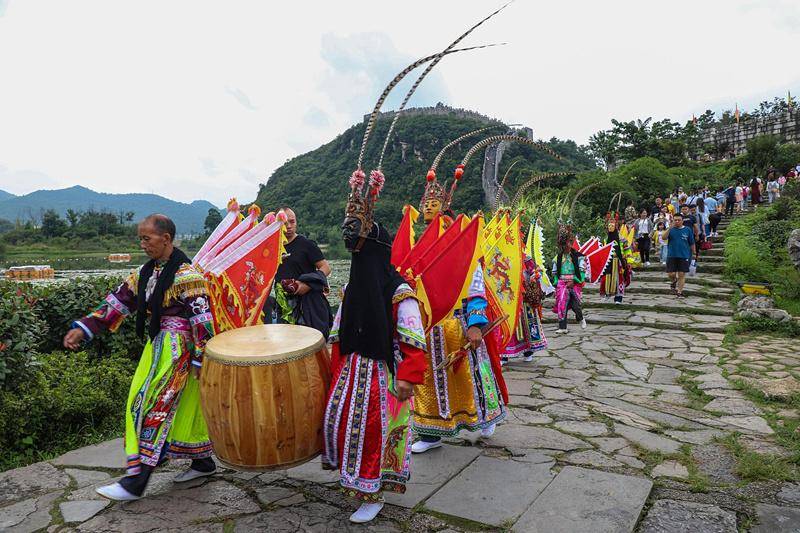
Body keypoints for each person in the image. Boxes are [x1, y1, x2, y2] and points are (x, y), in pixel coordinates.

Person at [63, 215, 216, 501]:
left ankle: (137, 481)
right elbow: (118, 301)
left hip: (180, 351)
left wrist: (200, 359)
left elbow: (203, 322)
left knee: (151, 406)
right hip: (158, 347)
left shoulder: (188, 277)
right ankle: (203, 462)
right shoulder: (144, 274)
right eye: (141, 238)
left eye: (147, 238)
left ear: (166, 239)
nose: (142, 244)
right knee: (172, 407)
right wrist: (85, 328)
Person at [326, 187, 428, 524]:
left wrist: (409, 376)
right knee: (343, 425)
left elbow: (414, 338)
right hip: (353, 370)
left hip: (384, 374)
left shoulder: (400, 292)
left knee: (374, 434)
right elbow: (341, 331)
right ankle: (355, 482)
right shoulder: (352, 289)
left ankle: (373, 492)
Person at [263, 207, 332, 338]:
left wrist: (307, 284)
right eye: (284, 223)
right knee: (286, 343)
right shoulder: (272, 248)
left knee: (308, 341)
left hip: (307, 303)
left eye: (292, 222)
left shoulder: (306, 244)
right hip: (283, 304)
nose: (288, 226)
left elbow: (326, 267)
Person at [551, 223, 586, 332]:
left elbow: (582, 271)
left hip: (574, 282)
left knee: (575, 305)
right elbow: (555, 273)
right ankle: (562, 327)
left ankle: (580, 318)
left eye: (568, 243)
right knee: (562, 303)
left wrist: (575, 280)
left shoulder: (578, 256)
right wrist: (556, 284)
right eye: (564, 244)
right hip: (562, 283)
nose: (567, 246)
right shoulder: (558, 257)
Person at [663, 213, 696, 298]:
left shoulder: (688, 230)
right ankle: (674, 281)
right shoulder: (671, 229)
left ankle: (679, 292)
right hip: (671, 255)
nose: (677, 221)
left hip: (684, 255)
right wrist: (669, 228)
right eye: (675, 220)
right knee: (671, 274)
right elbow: (663, 237)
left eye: (679, 220)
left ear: (682, 221)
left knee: (682, 274)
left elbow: (692, 242)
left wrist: (694, 253)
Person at [599, 213, 629, 304]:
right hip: (608, 261)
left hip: (619, 261)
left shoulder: (622, 239)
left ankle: (618, 297)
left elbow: (627, 250)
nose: (611, 226)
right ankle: (607, 293)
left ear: (616, 226)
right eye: (609, 224)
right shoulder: (605, 239)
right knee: (606, 278)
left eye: (613, 224)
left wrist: (627, 260)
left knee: (619, 279)